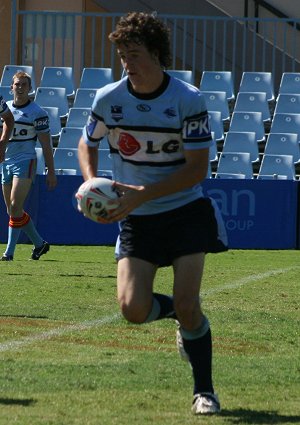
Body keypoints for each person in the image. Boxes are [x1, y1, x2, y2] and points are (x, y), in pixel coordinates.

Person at [77, 12, 228, 416]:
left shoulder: (187, 99)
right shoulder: (108, 99)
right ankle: (181, 314)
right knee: (132, 309)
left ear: (157, 55)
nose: (128, 62)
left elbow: (196, 169)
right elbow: (85, 143)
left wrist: (142, 194)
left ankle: (205, 391)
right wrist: (93, 182)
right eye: (123, 54)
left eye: (136, 54)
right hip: (137, 217)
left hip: (184, 212)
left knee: (190, 301)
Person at [0, 71, 57, 261]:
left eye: (24, 84)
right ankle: (40, 244)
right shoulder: (5, 108)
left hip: (26, 160)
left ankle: (9, 253)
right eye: (17, 84)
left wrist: (50, 170)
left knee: (16, 205)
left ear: (30, 88)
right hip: (6, 161)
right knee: (12, 210)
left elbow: (46, 144)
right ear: (11, 87)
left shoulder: (37, 113)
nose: (21, 87)